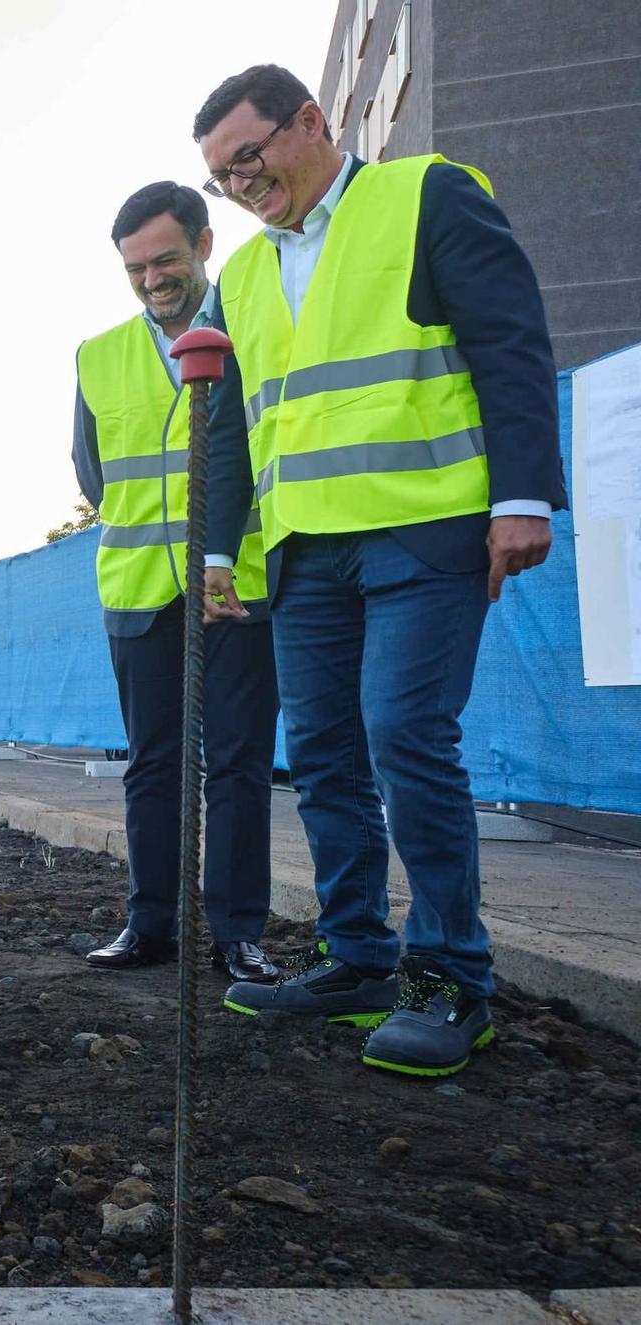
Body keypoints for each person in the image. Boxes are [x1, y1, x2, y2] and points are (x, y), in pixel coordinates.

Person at [193, 66, 567, 1076]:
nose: (241, 184)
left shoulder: (424, 195)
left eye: (249, 157)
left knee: (405, 734)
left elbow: (508, 343)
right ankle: (355, 957)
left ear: (310, 121)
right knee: (321, 753)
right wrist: (220, 546)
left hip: (422, 527)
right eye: (223, 176)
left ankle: (449, 978)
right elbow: (231, 426)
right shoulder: (241, 276)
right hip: (304, 548)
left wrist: (523, 494)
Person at [73, 182, 282, 985]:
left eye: (165, 260)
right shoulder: (98, 356)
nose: (152, 279)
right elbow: (92, 471)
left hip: (239, 584)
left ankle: (236, 934)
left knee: (237, 762)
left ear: (204, 245)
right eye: (135, 268)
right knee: (152, 764)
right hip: (138, 590)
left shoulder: (254, 330)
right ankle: (150, 923)